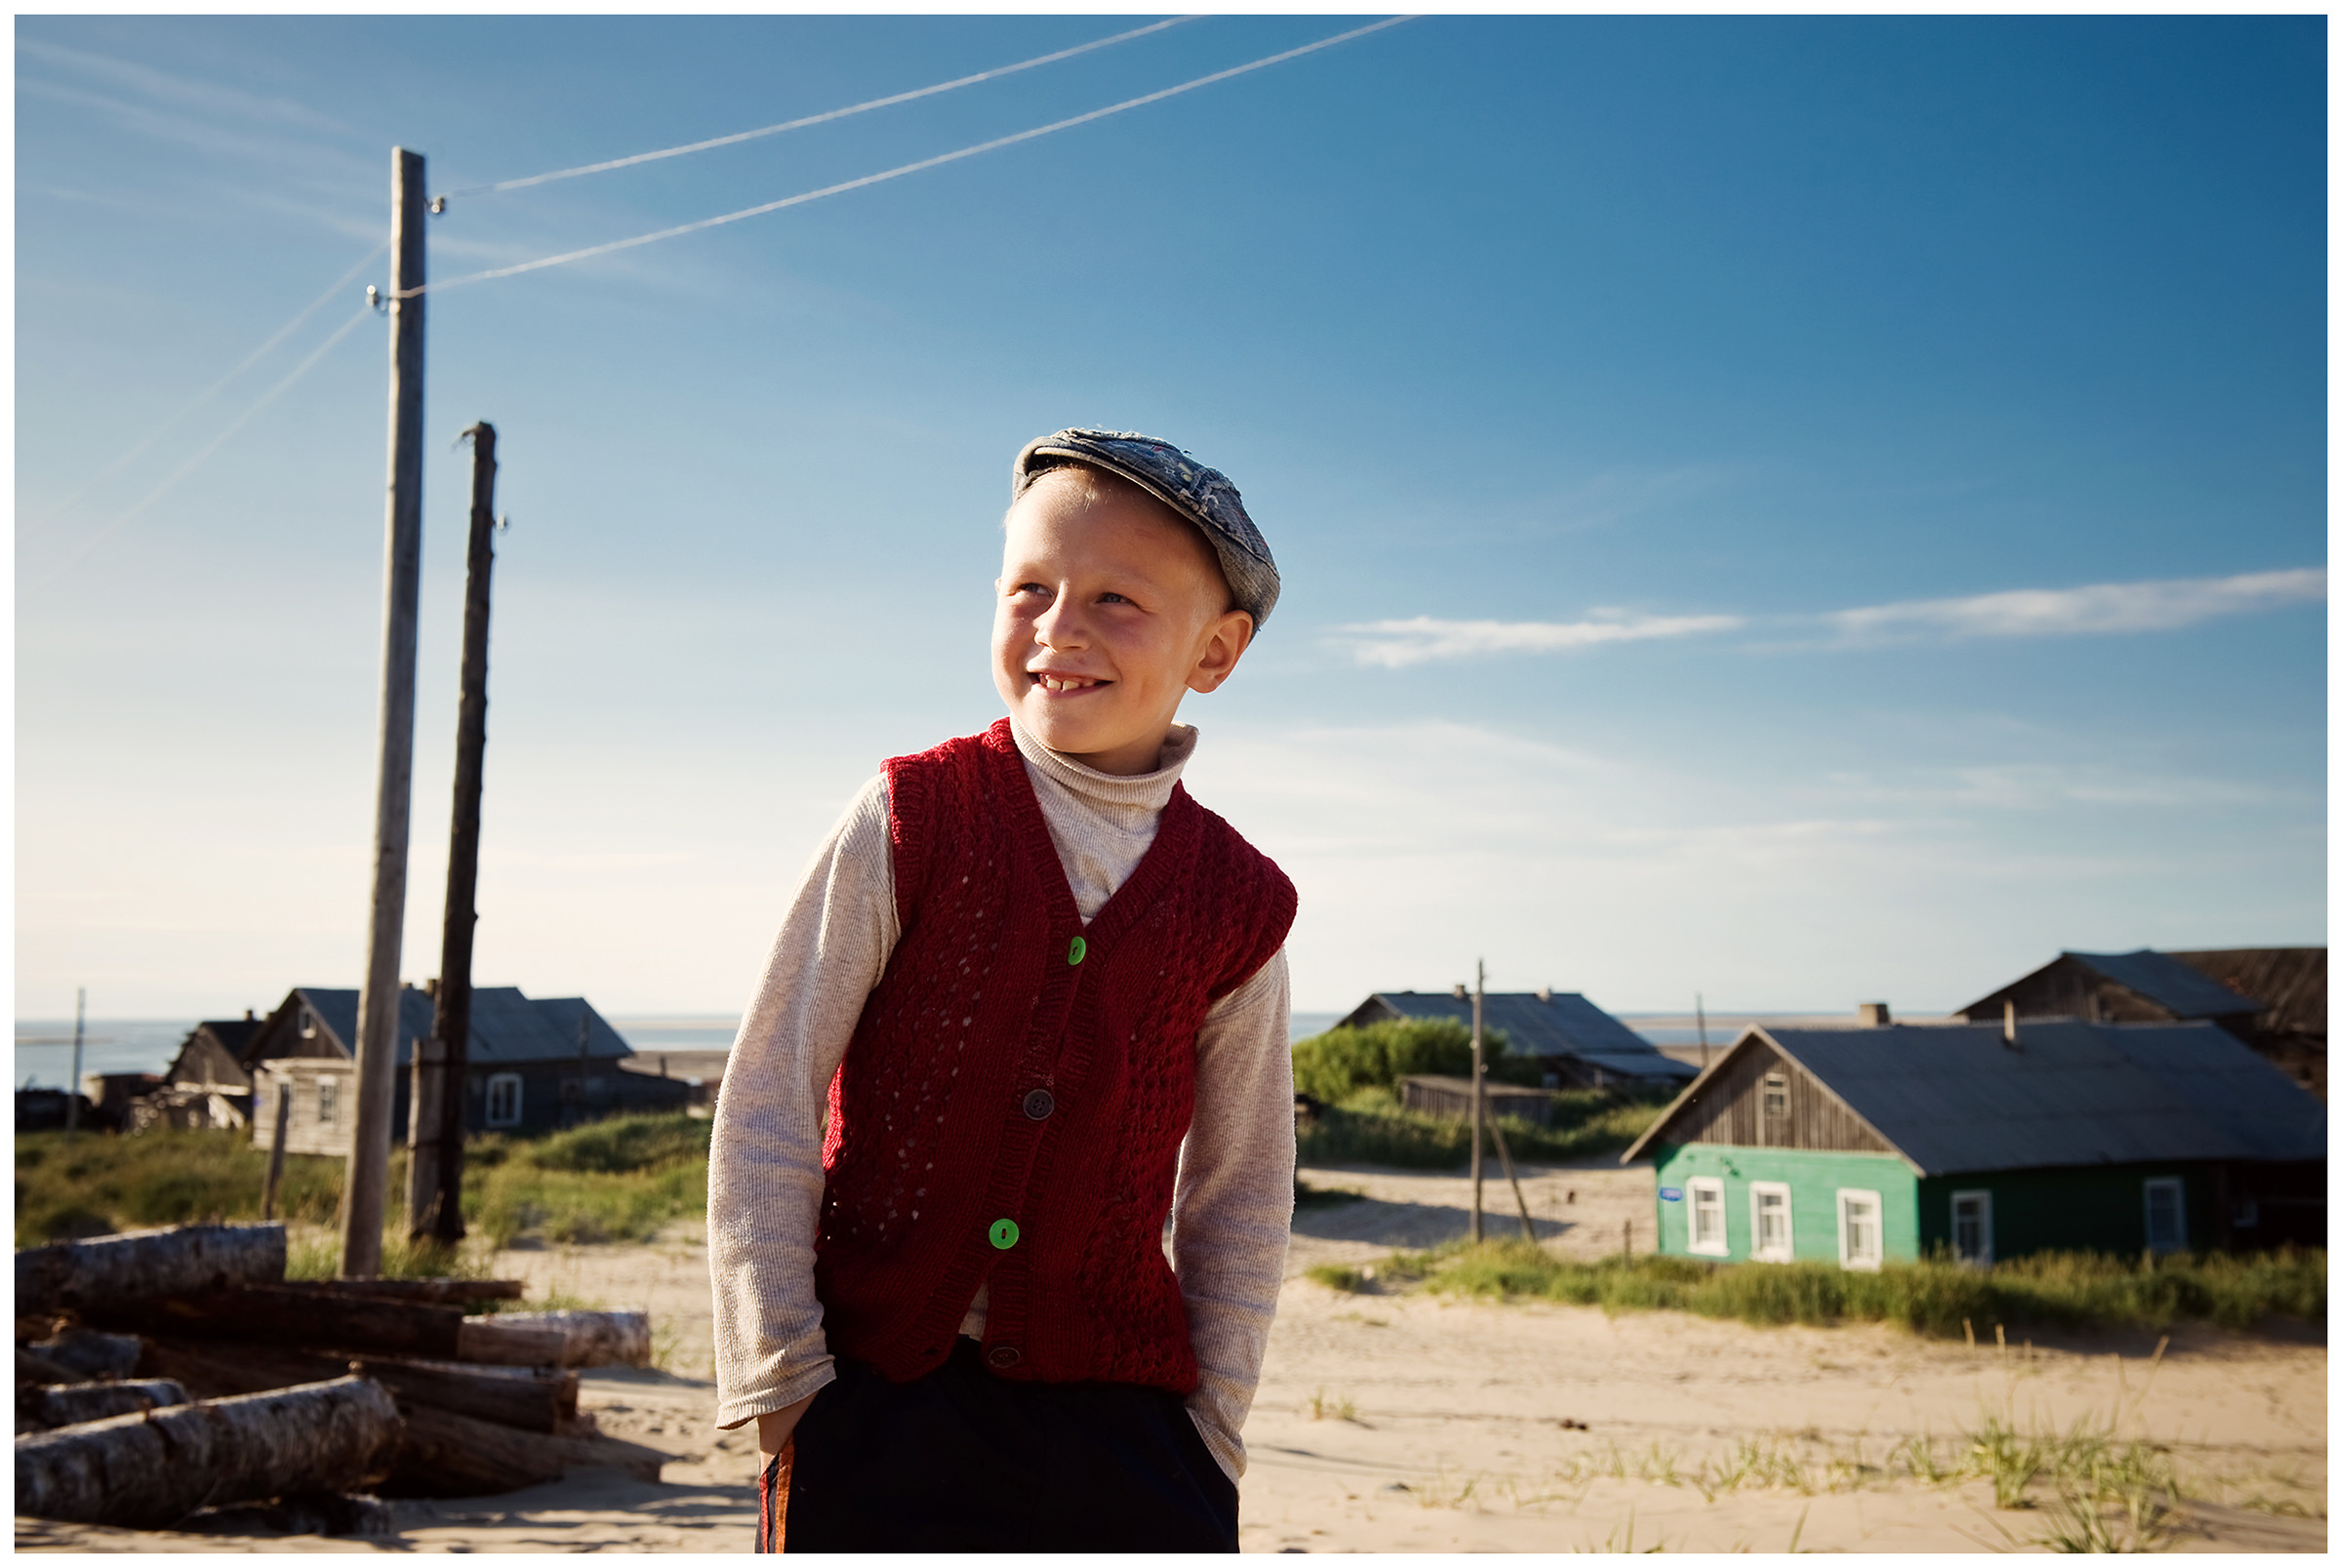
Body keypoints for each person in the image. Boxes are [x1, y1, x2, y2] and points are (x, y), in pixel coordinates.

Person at [708, 428, 1300, 1552]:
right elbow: (769, 1098)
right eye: (1031, 587)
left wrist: (1211, 1434)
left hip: (1132, 1438)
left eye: (1117, 599)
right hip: (874, 1402)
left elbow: (1241, 1193)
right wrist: (782, 1379)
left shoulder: (1240, 904)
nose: (1060, 627)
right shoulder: (911, 820)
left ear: (1215, 650)